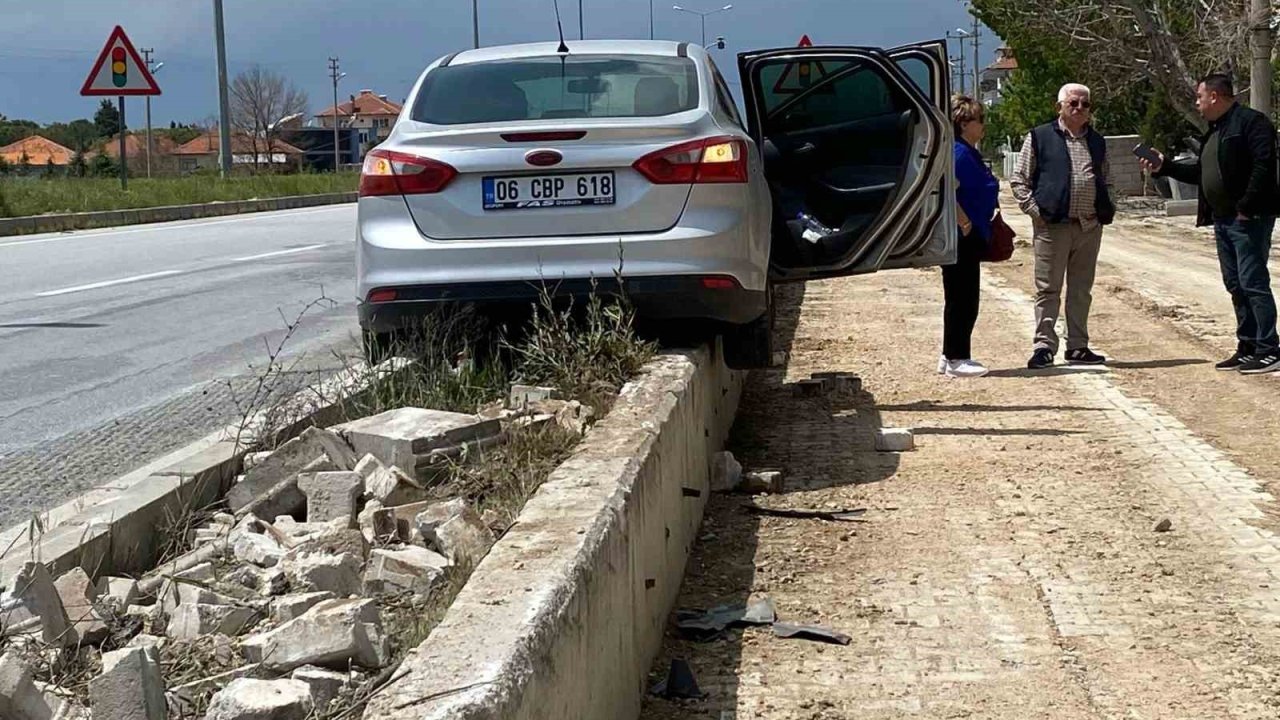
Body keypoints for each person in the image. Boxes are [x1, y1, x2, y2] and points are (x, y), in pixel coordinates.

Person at [1141, 74, 1280, 374]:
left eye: (1199, 97)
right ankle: (1248, 346)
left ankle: (1269, 348)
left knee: (1253, 283)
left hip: (1248, 220)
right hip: (1223, 220)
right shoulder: (1214, 131)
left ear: (1214, 96)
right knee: (1235, 284)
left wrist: (1246, 206)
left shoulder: (1251, 123)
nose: (1197, 103)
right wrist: (1165, 167)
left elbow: (1265, 166)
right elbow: (1201, 175)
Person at [1010, 83, 1115, 370]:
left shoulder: (1097, 141)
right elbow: (1019, 179)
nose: (1079, 108)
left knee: (1081, 290)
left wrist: (1106, 208)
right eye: (1073, 103)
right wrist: (1035, 212)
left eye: (1085, 104)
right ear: (1060, 106)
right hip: (1052, 227)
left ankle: (1078, 346)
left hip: (1089, 227)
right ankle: (1044, 346)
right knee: (1048, 289)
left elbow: (1106, 179)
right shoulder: (1040, 137)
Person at [939, 94, 997, 378]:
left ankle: (948, 354)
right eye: (979, 120)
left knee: (960, 295)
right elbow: (946, 191)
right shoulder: (959, 155)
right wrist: (964, 223)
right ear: (963, 123)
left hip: (970, 231)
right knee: (963, 297)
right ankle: (957, 357)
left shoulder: (967, 151)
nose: (984, 125)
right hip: (963, 234)